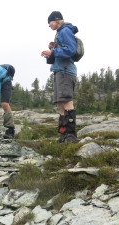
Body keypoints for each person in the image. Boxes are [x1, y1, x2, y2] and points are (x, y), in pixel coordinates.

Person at [41, 11, 79, 143]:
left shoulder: (65, 31)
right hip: (59, 71)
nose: (49, 25)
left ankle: (71, 135)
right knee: (59, 103)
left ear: (56, 20)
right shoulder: (59, 33)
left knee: (66, 100)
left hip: (65, 71)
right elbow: (64, 49)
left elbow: (71, 50)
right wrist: (53, 50)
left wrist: (53, 51)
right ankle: (64, 133)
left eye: (50, 22)